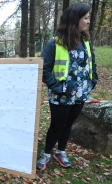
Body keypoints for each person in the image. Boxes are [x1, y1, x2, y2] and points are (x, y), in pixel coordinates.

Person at [37, 4, 98, 171]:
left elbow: (92, 62)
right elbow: (44, 69)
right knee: (57, 125)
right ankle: (47, 153)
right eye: (85, 18)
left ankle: (60, 151)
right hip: (60, 95)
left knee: (69, 124)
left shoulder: (86, 41)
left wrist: (93, 81)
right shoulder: (54, 44)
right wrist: (58, 87)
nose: (88, 21)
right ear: (74, 20)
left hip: (80, 93)